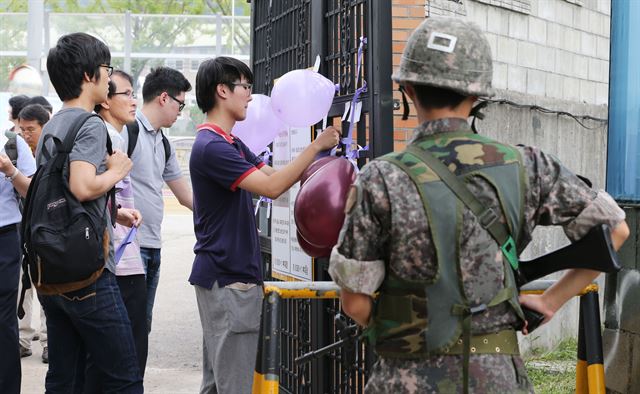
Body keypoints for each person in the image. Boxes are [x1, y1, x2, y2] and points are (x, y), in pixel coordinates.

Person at [328, 17, 630, 393]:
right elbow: (616, 230)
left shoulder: (381, 178)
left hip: (403, 381)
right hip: (498, 380)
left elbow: (355, 303)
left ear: (407, 89)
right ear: (478, 96)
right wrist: (551, 300)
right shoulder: (529, 166)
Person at [189, 56, 339, 393]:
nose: (250, 96)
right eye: (245, 86)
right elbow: (272, 188)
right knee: (233, 385)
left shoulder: (230, 142)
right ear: (222, 91)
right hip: (228, 279)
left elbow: (274, 176)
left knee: (217, 384)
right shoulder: (212, 147)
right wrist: (317, 144)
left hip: (226, 277)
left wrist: (322, 166)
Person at [10, 32, 144, 393]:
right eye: (106, 69)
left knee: (65, 378)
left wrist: (113, 214)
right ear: (89, 75)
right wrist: (117, 170)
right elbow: (82, 187)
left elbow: (60, 194)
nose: (109, 77)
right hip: (88, 274)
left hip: (52, 270)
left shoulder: (52, 124)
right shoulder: (90, 124)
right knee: (124, 376)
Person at [87, 69, 148, 387]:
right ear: (106, 100)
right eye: (127, 93)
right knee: (123, 358)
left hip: (123, 253)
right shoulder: (104, 136)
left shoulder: (117, 134)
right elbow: (89, 191)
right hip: (118, 262)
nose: (134, 100)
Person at [123, 66, 193, 332]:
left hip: (153, 245)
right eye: (180, 105)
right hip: (128, 246)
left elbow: (186, 196)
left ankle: (134, 376)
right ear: (164, 98)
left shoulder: (164, 143)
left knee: (141, 327)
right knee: (126, 329)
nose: (180, 112)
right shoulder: (127, 132)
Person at [0, 113, 36, 394]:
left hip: (5, 240)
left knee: (4, 322)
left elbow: (33, 193)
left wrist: (10, 170)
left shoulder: (12, 143)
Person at [15, 102, 50, 362]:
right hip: (21, 229)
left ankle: (49, 341)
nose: (26, 135)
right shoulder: (15, 152)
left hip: (47, 230)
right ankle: (23, 339)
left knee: (47, 285)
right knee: (23, 286)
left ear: (44, 126)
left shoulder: (51, 152)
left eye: (31, 129)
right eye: (22, 129)